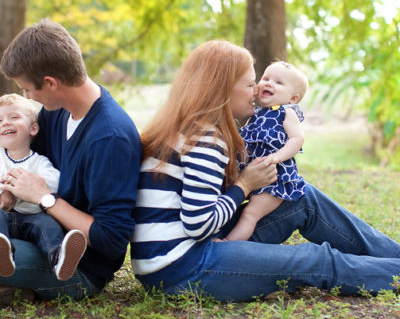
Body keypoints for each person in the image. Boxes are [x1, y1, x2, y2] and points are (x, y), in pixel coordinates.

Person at [131, 40, 400, 302]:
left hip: (179, 255)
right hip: (181, 268)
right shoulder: (205, 141)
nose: (257, 89)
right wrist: (244, 187)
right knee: (315, 260)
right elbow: (199, 224)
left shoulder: (188, 127)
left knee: (301, 198)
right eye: (250, 84)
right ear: (222, 89)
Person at [0, 19, 141, 301]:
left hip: (77, 267)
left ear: (51, 83)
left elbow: (111, 240)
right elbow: (16, 154)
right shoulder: (58, 112)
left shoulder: (109, 138)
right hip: (28, 233)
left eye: (28, 89)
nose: (28, 97)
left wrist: (45, 198)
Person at [0, 93, 87, 282]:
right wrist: (5, 192)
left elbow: (55, 183)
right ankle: (3, 251)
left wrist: (22, 187)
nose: (5, 123)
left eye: (14, 117)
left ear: (33, 128)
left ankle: (59, 258)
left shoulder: (39, 162)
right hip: (4, 215)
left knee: (48, 224)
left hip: (32, 217)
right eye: (0, 120)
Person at [224, 61, 308, 241]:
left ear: (293, 98)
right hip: (251, 174)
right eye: (266, 78)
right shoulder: (255, 113)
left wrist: (277, 157)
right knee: (235, 208)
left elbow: (297, 138)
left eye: (278, 82)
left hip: (274, 178)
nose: (269, 83)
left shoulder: (286, 112)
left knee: (250, 214)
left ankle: (227, 245)